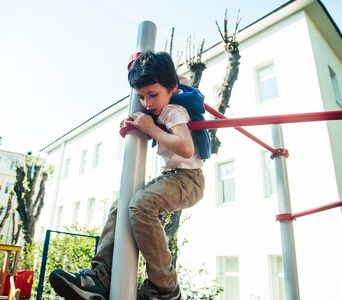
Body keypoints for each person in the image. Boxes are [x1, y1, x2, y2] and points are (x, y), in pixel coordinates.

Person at [49, 50, 211, 300]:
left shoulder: (173, 110)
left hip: (188, 179)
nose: (147, 103)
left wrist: (149, 128)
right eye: (141, 96)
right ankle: (100, 275)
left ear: (172, 87)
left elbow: (186, 147)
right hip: (173, 176)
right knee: (121, 205)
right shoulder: (165, 103)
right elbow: (172, 84)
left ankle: (165, 286)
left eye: (153, 95)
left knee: (140, 205)